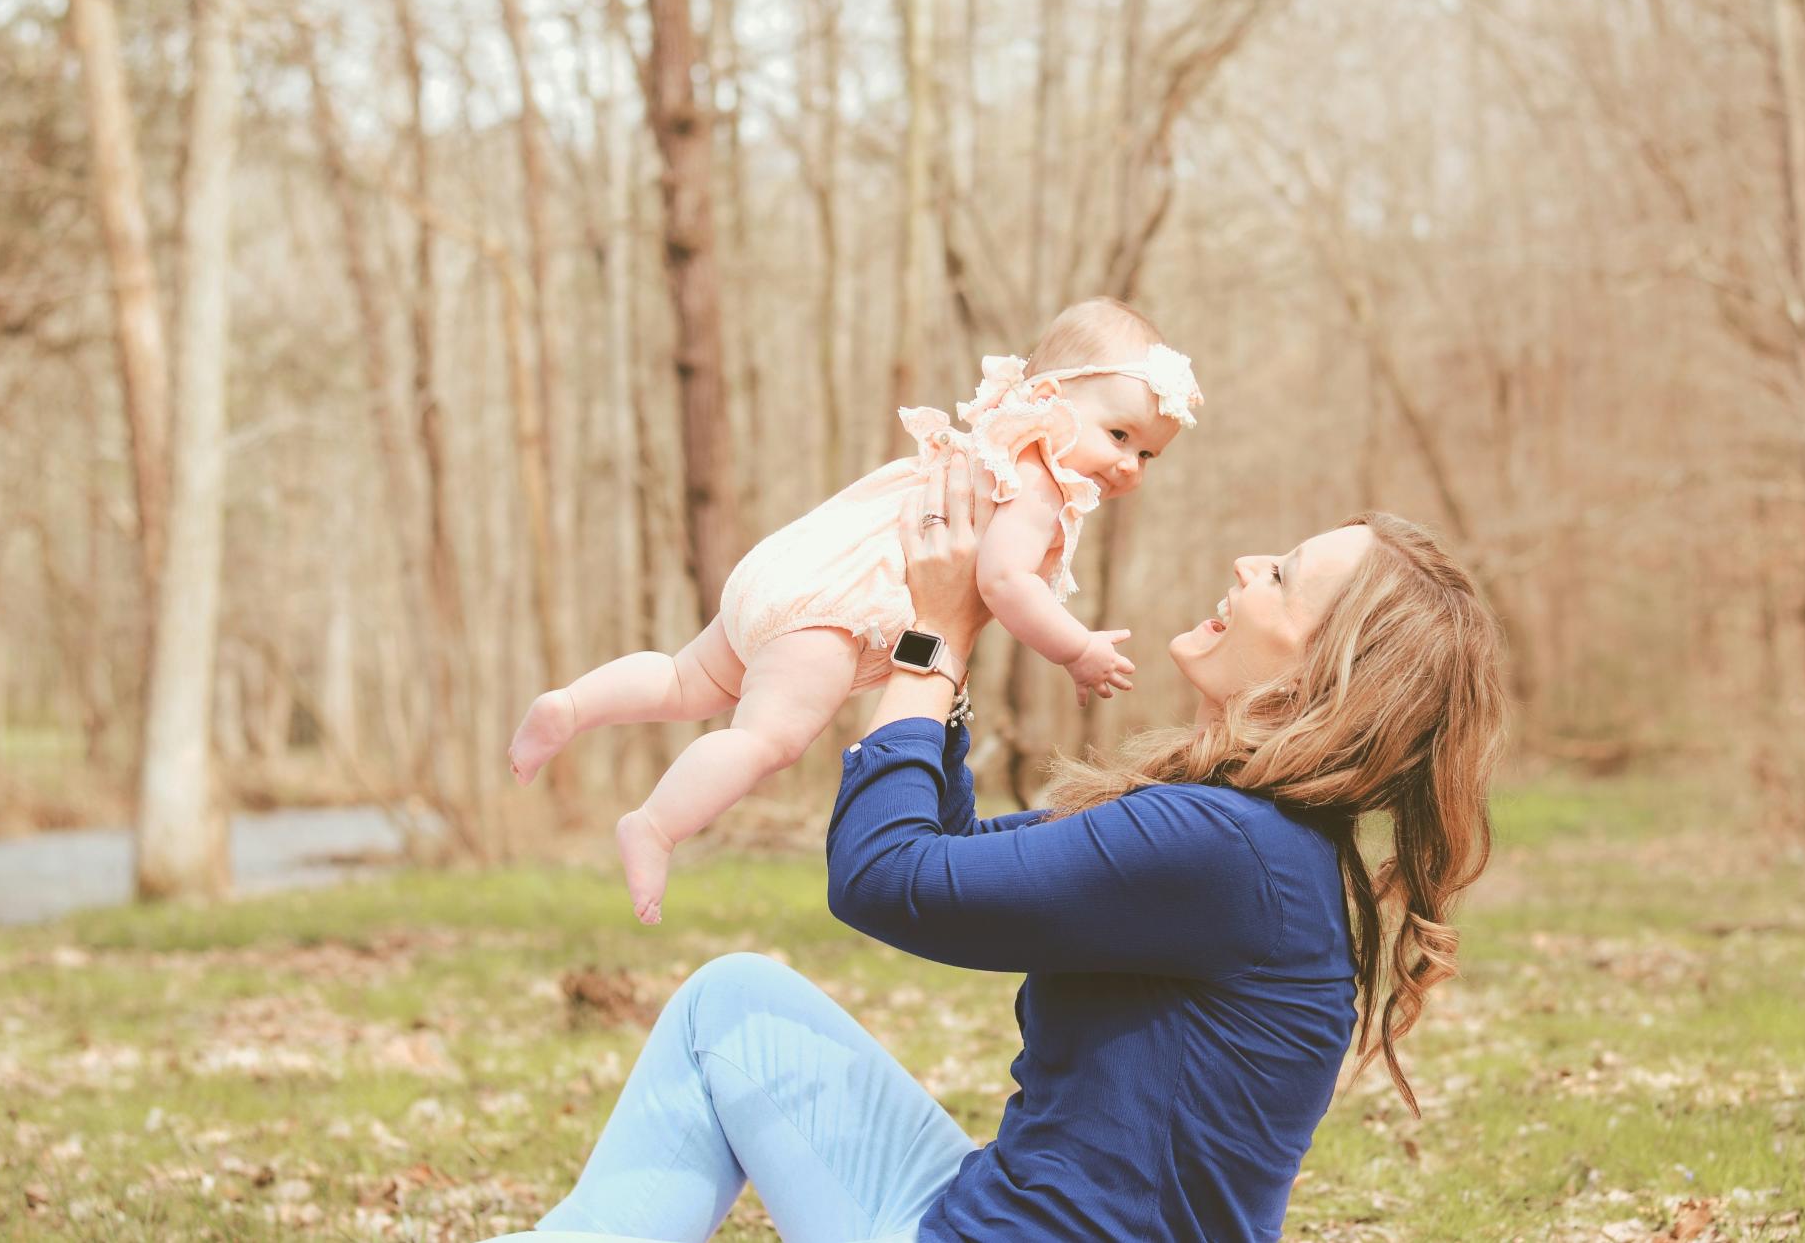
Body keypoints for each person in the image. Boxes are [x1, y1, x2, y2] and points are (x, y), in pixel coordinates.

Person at [498, 452, 1508, 1242]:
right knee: (732, 1005)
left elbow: (883, 879)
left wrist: (929, 643)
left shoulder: (1222, 848)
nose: (1247, 565)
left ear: (1323, 673)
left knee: (727, 1011)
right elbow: (948, 855)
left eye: (1280, 577)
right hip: (982, 1210)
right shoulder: (1247, 841)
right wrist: (940, 650)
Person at [506, 299, 1204, 923]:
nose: (1131, 466)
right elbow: (1002, 582)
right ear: (1051, 397)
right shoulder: (1038, 480)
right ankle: (656, 826)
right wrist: (1074, 648)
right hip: (834, 610)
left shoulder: (994, 438)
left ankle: (571, 705)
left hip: (794, 566)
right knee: (766, 740)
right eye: (1119, 436)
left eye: (1149, 454)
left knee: (686, 679)